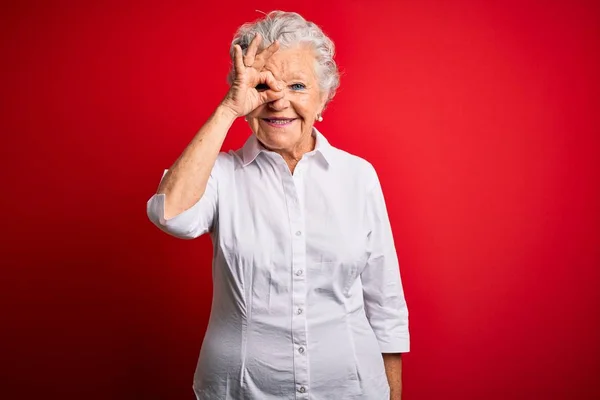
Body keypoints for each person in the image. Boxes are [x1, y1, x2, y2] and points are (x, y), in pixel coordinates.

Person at [146, 10, 410, 400]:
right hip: (238, 391)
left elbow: (385, 301)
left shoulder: (358, 176)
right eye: (264, 85)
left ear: (324, 97)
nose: (278, 101)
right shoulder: (221, 174)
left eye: (298, 85)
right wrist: (228, 109)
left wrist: (393, 393)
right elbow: (171, 216)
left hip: (352, 390)